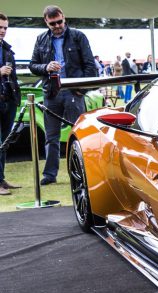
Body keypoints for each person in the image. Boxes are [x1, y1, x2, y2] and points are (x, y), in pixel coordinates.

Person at [29, 5, 97, 185]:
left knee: (78, 135)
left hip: (73, 92)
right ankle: (50, 175)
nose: (57, 25)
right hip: (51, 93)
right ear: (46, 22)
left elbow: (91, 66)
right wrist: (46, 67)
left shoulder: (78, 36)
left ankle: (81, 174)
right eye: (53, 23)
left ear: (64, 18)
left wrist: (79, 89)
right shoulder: (41, 39)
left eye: (59, 21)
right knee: (51, 137)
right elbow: (32, 65)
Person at [0, 12, 21, 196]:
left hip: (8, 100)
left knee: (4, 143)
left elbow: (12, 76)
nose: (3, 31)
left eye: (5, 27)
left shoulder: (6, 48)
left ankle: (1, 178)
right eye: (0, 27)